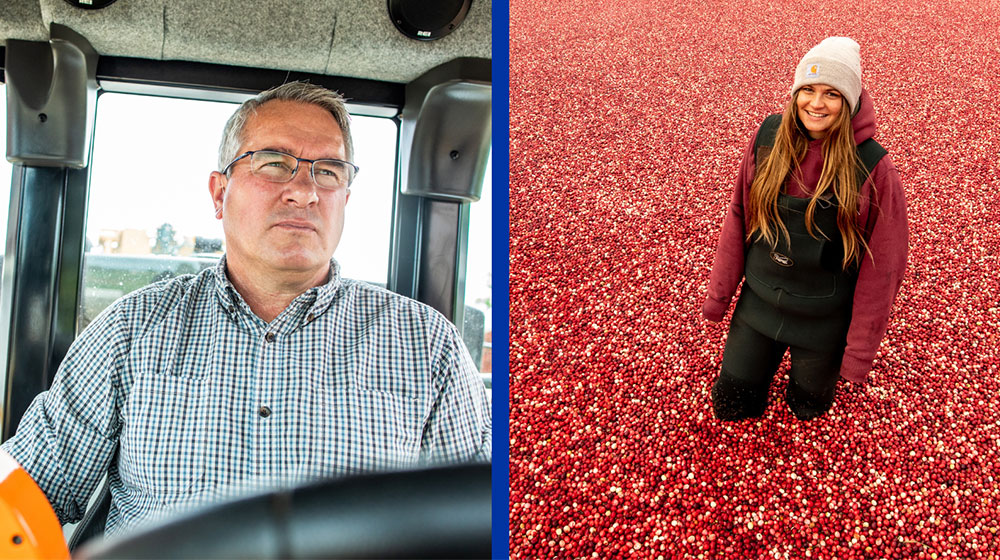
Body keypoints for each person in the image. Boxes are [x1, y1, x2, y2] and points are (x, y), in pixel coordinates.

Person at [0, 81, 492, 535]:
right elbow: (25, 493)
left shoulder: (427, 344)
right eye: (275, 162)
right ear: (220, 192)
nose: (305, 191)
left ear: (346, 196)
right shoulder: (130, 331)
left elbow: (479, 521)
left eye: (328, 171)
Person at [702, 37, 908, 421]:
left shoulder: (874, 168)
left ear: (850, 101)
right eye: (807, 90)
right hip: (758, 305)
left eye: (832, 93)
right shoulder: (768, 139)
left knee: (808, 408)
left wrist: (858, 354)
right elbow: (737, 219)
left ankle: (812, 384)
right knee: (731, 405)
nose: (816, 103)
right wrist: (719, 297)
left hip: (824, 319)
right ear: (795, 93)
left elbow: (884, 269)